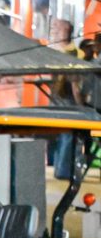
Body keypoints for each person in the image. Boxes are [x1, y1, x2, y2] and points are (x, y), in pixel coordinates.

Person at [50, 19, 81, 180]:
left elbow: (75, 81)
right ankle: (58, 167)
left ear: (67, 31)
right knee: (59, 134)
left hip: (67, 97)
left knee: (67, 134)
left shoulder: (73, 52)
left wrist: (79, 102)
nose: (55, 31)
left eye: (58, 28)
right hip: (56, 96)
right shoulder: (55, 50)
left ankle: (62, 170)